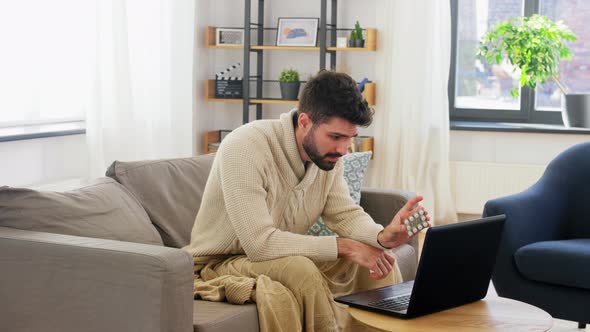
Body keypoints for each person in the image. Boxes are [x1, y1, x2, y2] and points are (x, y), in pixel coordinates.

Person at [184, 70, 430, 332]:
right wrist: (344, 246)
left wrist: (381, 237)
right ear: (304, 121)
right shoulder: (245, 147)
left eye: (350, 138)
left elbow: (344, 214)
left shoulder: (327, 159)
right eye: (335, 137)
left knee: (380, 261)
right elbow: (258, 244)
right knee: (300, 269)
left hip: (278, 254)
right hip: (219, 262)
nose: (344, 149)